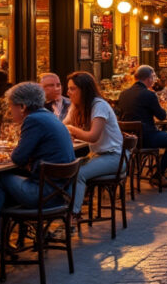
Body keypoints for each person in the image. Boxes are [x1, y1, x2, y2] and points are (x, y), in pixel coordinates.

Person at [0, 82, 76, 249]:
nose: (10, 111)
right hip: (61, 193)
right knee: (3, 186)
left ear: (22, 106)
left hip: (45, 195)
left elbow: (18, 158)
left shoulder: (33, 120)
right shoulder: (49, 116)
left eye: (11, 106)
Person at [63, 72, 123, 222]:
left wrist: (72, 130)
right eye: (68, 88)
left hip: (114, 157)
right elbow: (62, 126)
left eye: (72, 89)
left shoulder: (99, 105)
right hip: (98, 155)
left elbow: (93, 136)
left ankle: (73, 215)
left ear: (84, 90)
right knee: (67, 169)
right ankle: (65, 209)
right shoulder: (77, 106)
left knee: (78, 173)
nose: (68, 92)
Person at [117, 65, 167, 187]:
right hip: (146, 138)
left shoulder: (123, 94)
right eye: (153, 77)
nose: (154, 80)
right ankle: (158, 174)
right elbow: (162, 116)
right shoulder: (149, 95)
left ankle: (153, 172)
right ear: (149, 79)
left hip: (128, 139)